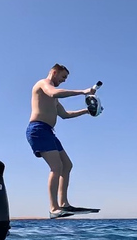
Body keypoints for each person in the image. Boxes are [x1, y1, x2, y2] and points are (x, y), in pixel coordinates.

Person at [27, 63, 99, 218]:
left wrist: (86, 111)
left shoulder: (54, 98)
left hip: (48, 132)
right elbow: (54, 93)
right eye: (63, 76)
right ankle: (53, 208)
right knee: (56, 166)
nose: (65, 80)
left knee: (67, 165)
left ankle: (64, 204)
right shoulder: (43, 84)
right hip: (38, 129)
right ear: (54, 72)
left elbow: (65, 115)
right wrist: (83, 92)